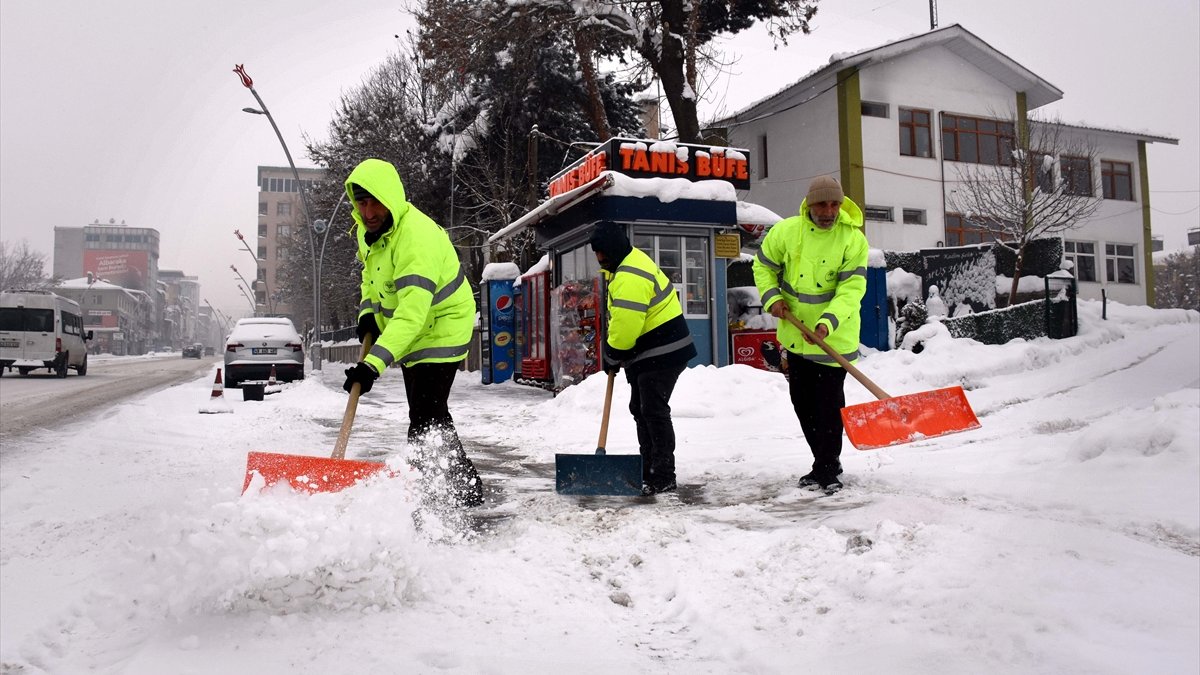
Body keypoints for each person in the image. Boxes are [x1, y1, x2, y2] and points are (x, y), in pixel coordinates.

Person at [341, 158, 482, 507]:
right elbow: (371, 279)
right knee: (425, 412)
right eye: (361, 201)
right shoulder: (366, 231)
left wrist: (371, 365)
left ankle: (446, 488)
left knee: (426, 412)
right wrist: (368, 313)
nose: (368, 211)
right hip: (413, 331)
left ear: (390, 198)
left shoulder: (415, 239)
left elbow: (411, 314)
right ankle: (456, 484)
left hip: (443, 324)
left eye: (375, 201)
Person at [752, 175, 868, 493]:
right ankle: (822, 461)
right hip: (795, 335)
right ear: (809, 204)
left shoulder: (852, 240)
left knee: (828, 407)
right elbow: (762, 266)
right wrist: (772, 298)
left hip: (834, 336)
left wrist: (826, 324)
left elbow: (852, 288)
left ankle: (828, 467)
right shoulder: (787, 232)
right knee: (802, 403)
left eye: (835, 204)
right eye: (822, 204)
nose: (829, 211)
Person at [589, 221, 697, 495]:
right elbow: (621, 322)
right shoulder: (624, 265)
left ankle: (662, 475)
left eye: (602, 253)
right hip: (651, 350)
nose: (599, 259)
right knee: (640, 408)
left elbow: (626, 325)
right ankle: (648, 469)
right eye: (596, 253)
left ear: (612, 249)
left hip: (664, 350)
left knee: (652, 410)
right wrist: (614, 352)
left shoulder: (630, 275)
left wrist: (614, 353)